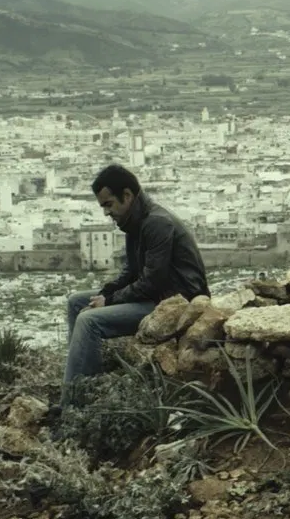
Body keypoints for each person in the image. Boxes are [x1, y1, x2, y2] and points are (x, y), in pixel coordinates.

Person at [60, 164, 209, 407]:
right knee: (76, 302)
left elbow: (152, 282)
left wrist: (109, 301)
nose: (106, 212)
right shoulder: (133, 222)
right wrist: (106, 292)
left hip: (175, 302)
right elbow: (131, 272)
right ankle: (78, 378)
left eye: (109, 204)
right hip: (157, 295)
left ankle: (74, 402)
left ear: (127, 195)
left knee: (89, 321)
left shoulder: (157, 223)